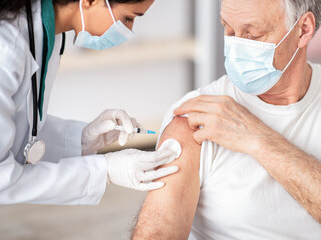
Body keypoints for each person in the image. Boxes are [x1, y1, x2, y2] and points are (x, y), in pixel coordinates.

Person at [0, 0, 182, 239]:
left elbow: (9, 125)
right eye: (129, 18)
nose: (128, 30)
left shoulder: (49, 34)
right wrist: (104, 170)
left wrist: (82, 139)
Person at [132, 0, 321, 239]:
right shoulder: (193, 119)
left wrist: (259, 140)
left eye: (253, 35)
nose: (236, 47)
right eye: (229, 30)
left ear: (303, 29)